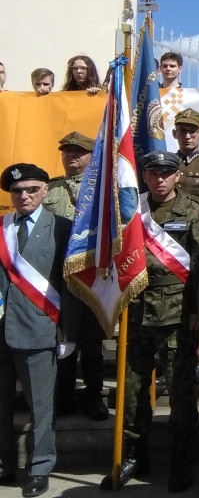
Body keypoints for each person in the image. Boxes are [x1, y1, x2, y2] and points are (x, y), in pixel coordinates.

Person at [109, 151, 199, 492]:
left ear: (177, 176)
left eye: (166, 173)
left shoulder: (193, 210)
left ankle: (181, 458)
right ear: (145, 176)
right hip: (137, 311)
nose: (159, 179)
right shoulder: (131, 209)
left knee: (181, 392)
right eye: (153, 173)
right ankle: (133, 454)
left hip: (178, 314)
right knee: (132, 388)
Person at [0, 163, 77, 498]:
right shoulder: (1, 227)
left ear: (46, 190)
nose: (24, 196)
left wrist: (68, 332)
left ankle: (40, 468)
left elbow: (72, 285)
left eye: (32, 189)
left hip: (40, 330)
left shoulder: (62, 228)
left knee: (41, 409)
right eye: (17, 191)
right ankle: (4, 463)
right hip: (1, 331)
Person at [42, 132, 107, 421]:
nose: (71, 155)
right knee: (63, 337)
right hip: (57, 275)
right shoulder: (50, 189)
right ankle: (64, 396)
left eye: (78, 151)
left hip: (91, 274)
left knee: (91, 340)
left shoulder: (102, 189)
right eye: (67, 151)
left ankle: (94, 397)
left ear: (91, 156)